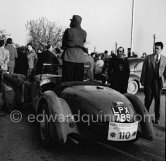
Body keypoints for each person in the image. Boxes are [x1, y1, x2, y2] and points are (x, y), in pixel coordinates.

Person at [140, 42, 166, 124]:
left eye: (157, 48)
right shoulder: (148, 58)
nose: (155, 49)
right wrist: (142, 80)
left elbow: (165, 72)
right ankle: (145, 118)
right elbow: (144, 70)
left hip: (158, 83)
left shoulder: (164, 59)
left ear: (161, 49)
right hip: (149, 82)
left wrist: (164, 81)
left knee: (157, 101)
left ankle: (156, 118)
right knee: (147, 100)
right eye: (155, 48)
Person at [61, 15, 87, 82]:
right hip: (80, 59)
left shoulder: (68, 31)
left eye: (71, 21)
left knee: (67, 81)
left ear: (73, 22)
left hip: (69, 57)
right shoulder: (84, 32)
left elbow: (63, 44)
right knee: (78, 82)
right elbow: (83, 41)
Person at [0, 39, 10, 116]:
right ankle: (4, 104)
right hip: (4, 68)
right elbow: (8, 59)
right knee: (4, 83)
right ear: (4, 44)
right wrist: (3, 64)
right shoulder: (6, 51)